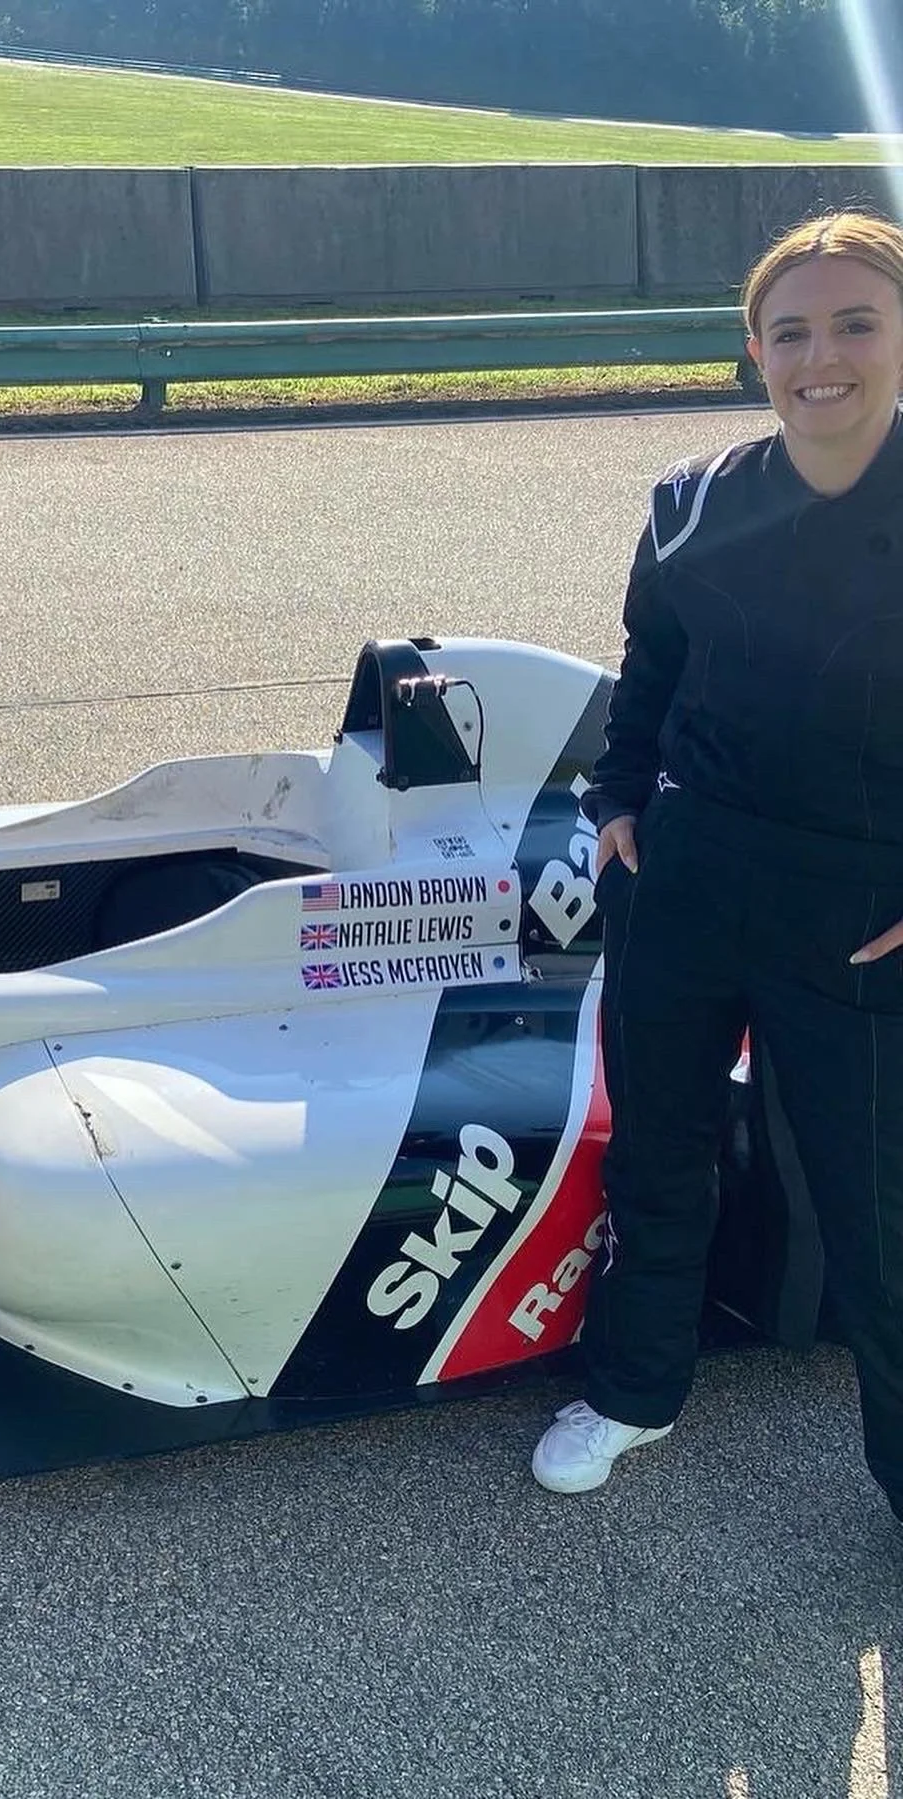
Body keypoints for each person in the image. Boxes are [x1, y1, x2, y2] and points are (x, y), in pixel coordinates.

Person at [530, 210, 903, 1515]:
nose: (824, 356)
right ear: (756, 348)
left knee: (878, 1207)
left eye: (858, 321)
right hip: (685, 882)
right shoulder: (692, 502)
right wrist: (621, 798)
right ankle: (636, 1390)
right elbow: (654, 665)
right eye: (792, 329)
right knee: (659, 1152)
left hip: (861, 907)